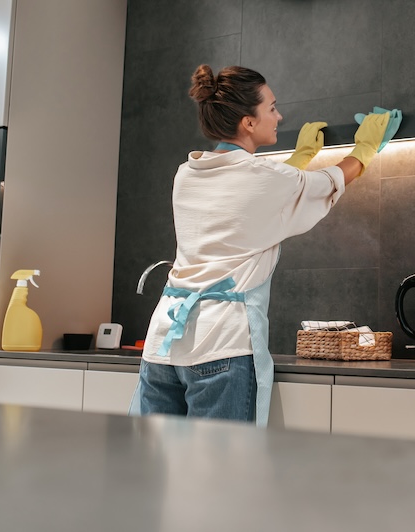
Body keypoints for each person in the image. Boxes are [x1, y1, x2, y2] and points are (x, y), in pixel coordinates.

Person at [130, 64, 395, 426]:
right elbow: (328, 181)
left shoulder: (186, 174)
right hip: (220, 347)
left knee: (153, 473)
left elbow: (249, 197)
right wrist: (365, 148)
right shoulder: (266, 178)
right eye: (271, 107)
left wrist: (297, 160)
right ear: (248, 122)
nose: (279, 115)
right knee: (222, 479)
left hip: (162, 346)